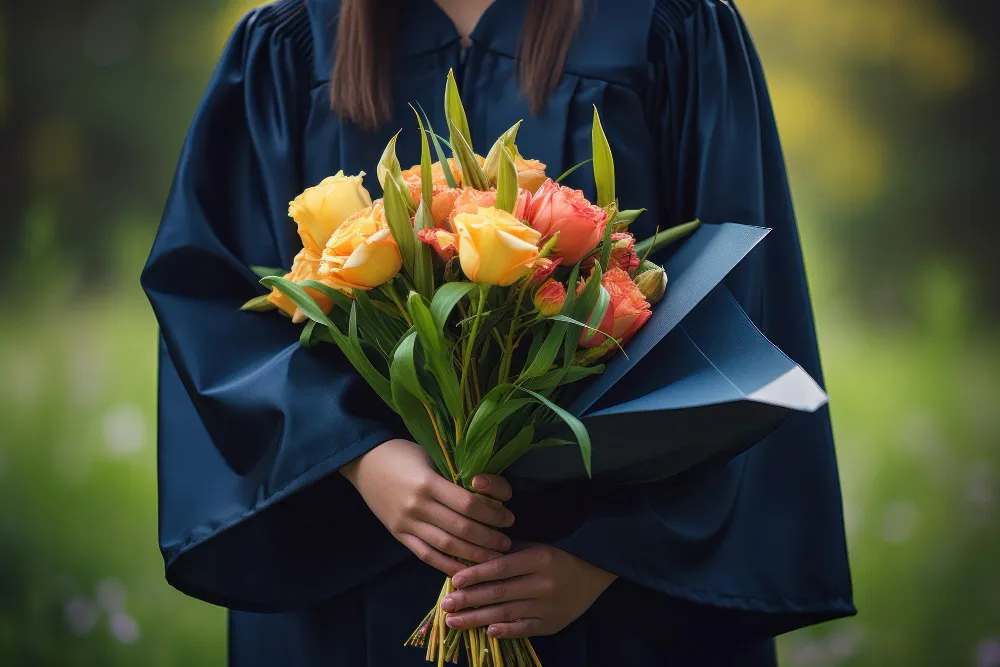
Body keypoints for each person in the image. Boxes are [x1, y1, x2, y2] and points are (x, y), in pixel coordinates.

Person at [141, 0, 855, 664]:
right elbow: (219, 298)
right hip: (351, 578)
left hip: (613, 602)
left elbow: (736, 311)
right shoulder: (292, 44)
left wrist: (608, 556)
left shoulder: (668, 27)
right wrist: (360, 458)